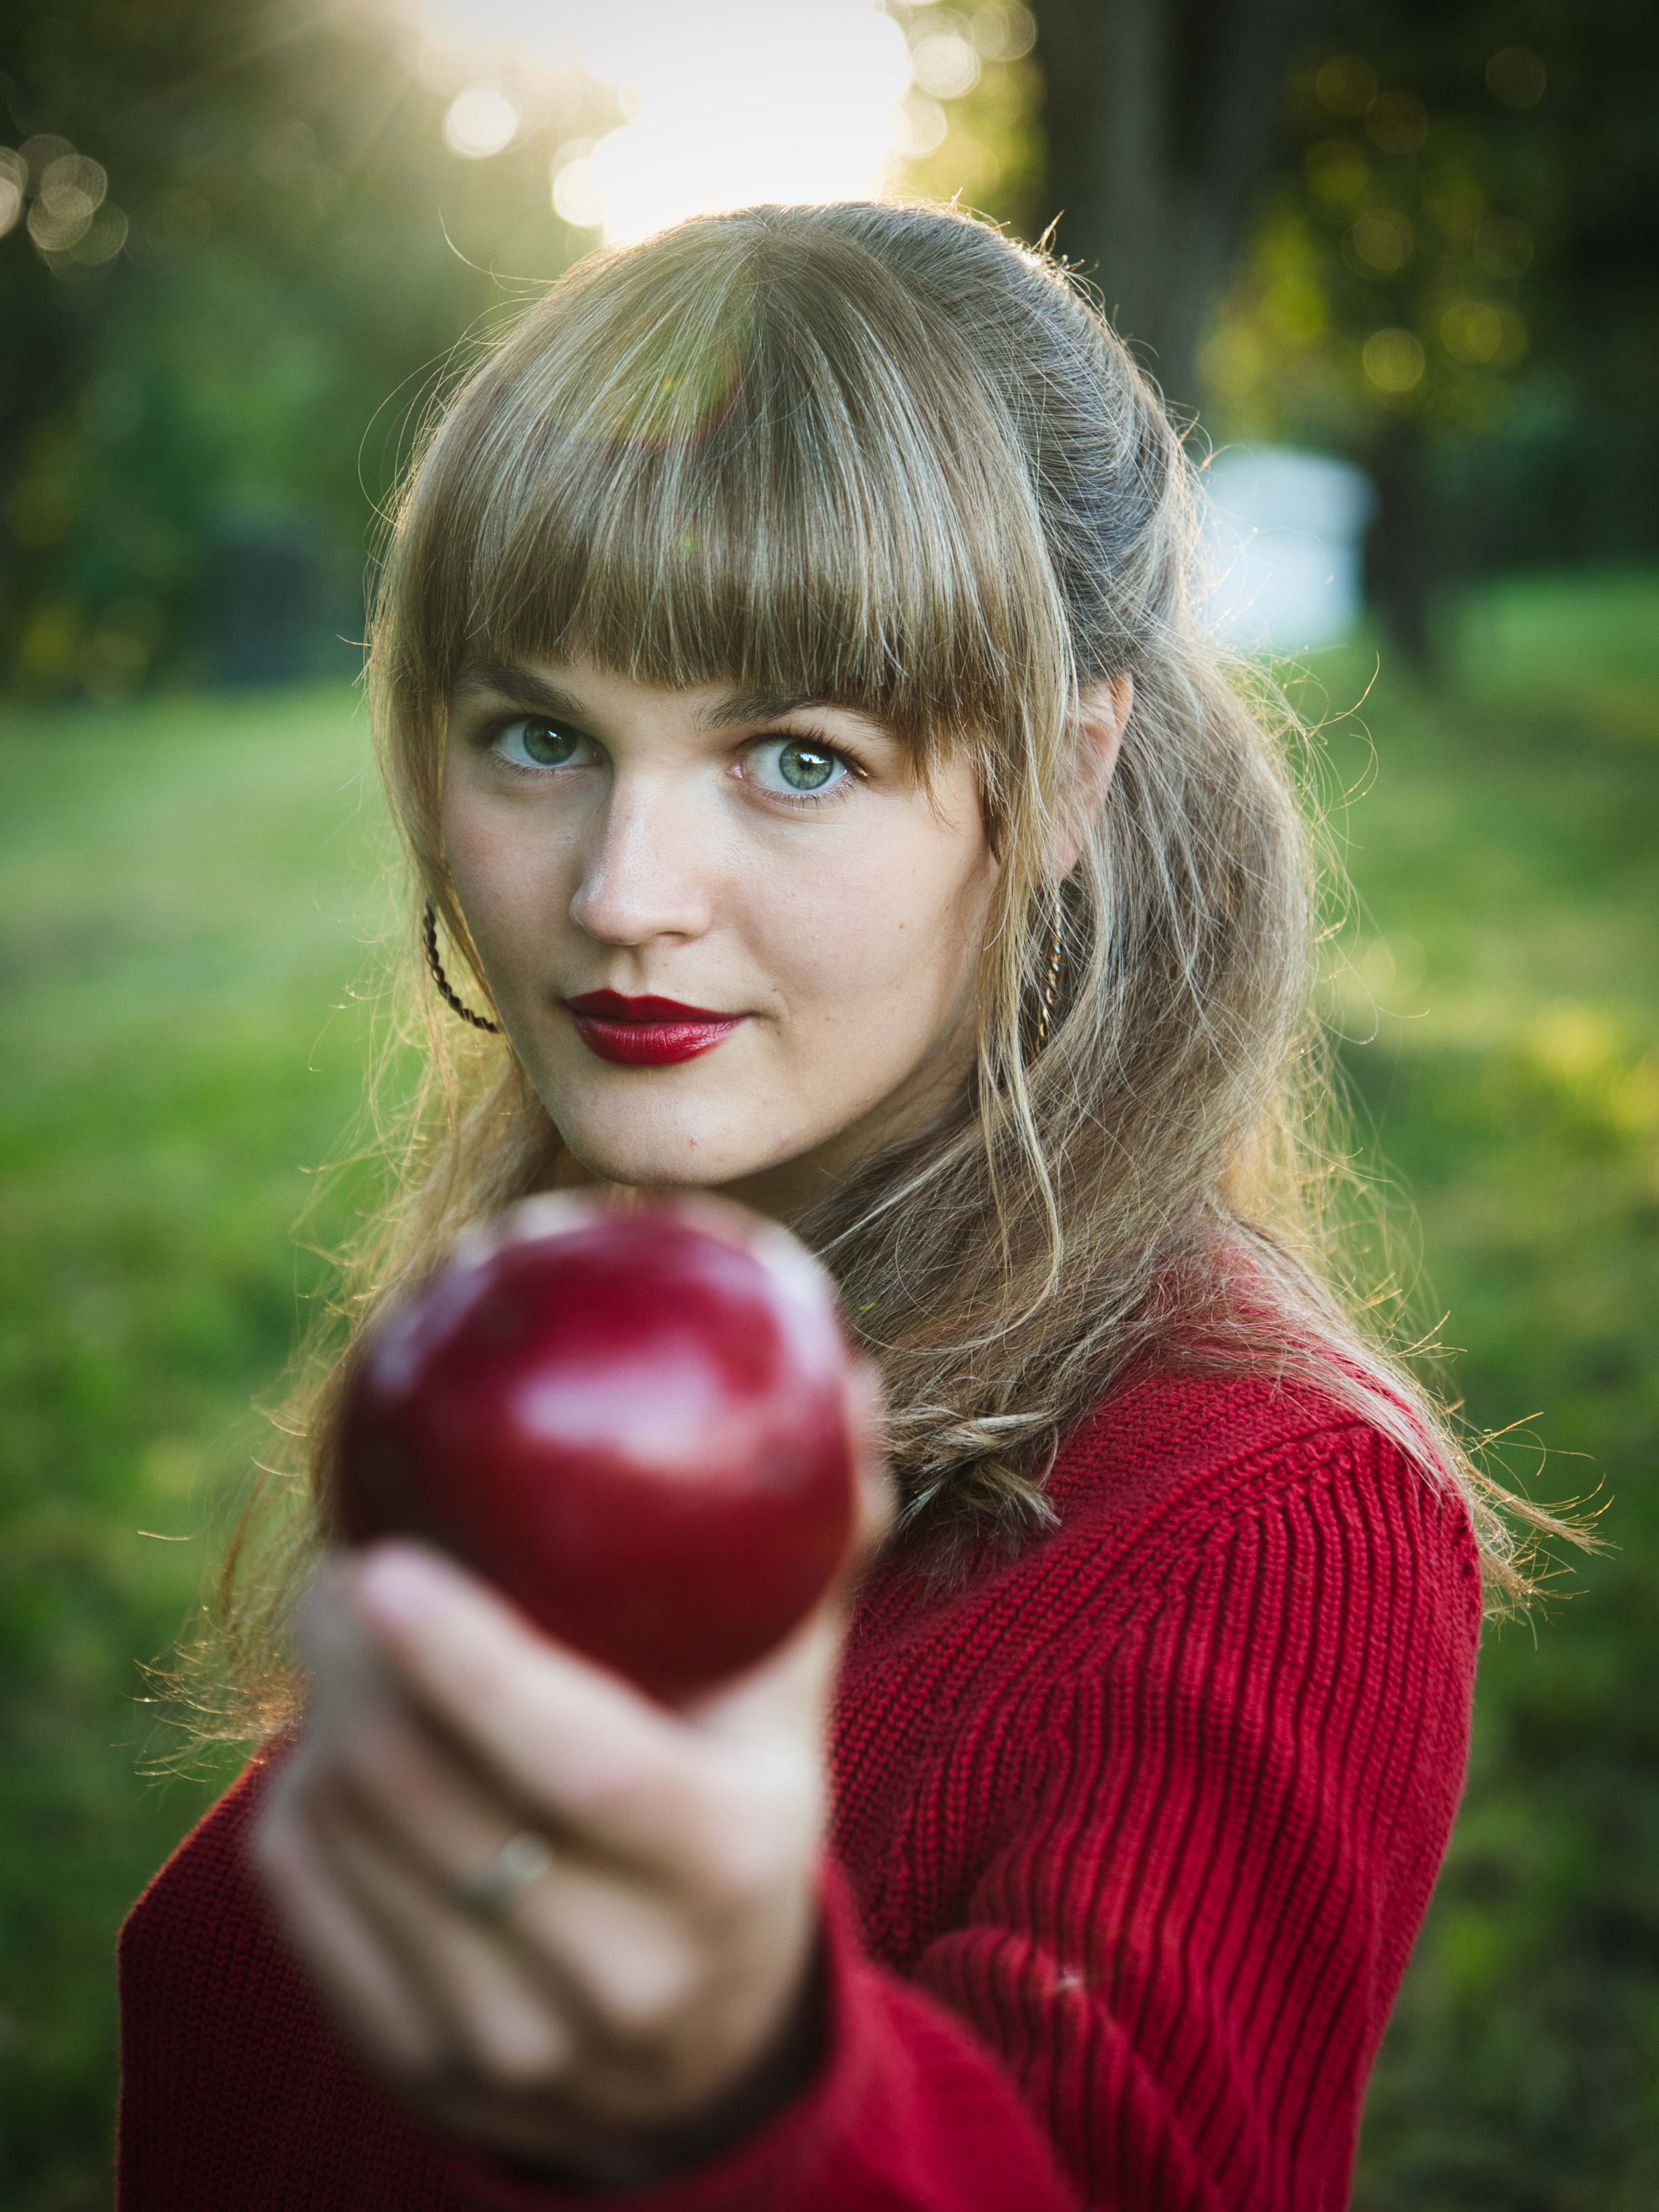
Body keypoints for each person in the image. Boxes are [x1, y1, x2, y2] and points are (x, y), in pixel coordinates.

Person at [116, 200, 1533, 2210]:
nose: (621, 894)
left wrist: (734, 2081)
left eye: (797, 757)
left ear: (1059, 781)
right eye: (540, 738)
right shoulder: (577, 1340)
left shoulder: (1263, 1512)